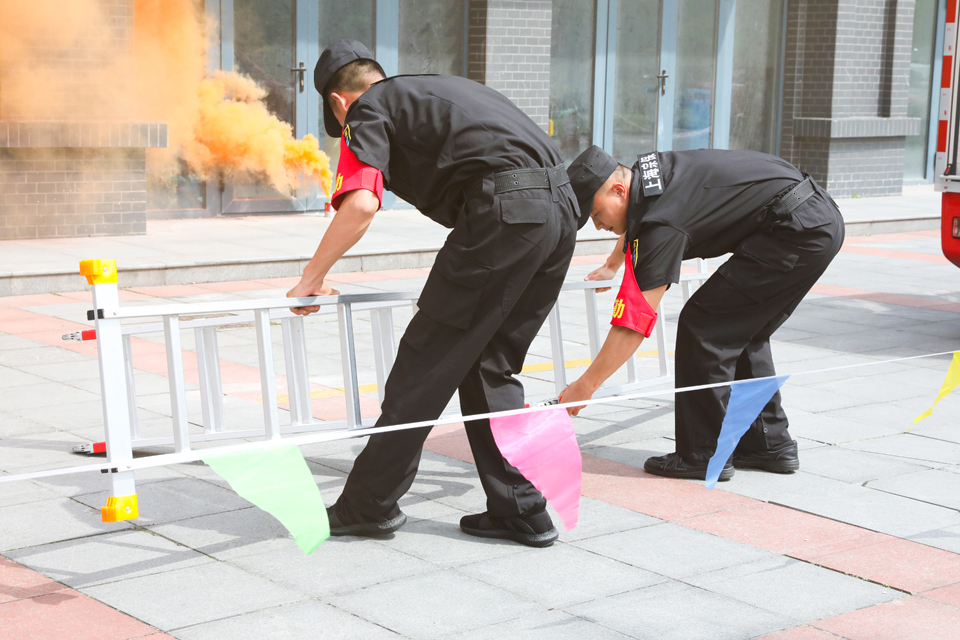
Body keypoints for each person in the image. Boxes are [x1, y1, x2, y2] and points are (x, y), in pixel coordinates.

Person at [286, 40, 583, 546]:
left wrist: (310, 277)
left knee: (425, 363)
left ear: (338, 102)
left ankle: (368, 505)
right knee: (489, 365)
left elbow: (361, 204)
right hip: (560, 213)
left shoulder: (366, 109)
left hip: (507, 216)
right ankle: (520, 508)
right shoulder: (441, 88)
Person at [560, 145, 843, 480]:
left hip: (794, 231)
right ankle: (768, 443)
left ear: (618, 190)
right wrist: (613, 263)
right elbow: (639, 221)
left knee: (704, 325)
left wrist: (586, 385)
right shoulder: (648, 176)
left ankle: (702, 453)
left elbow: (634, 319)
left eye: (595, 214)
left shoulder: (660, 221)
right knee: (740, 330)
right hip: (813, 218)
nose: (597, 225)